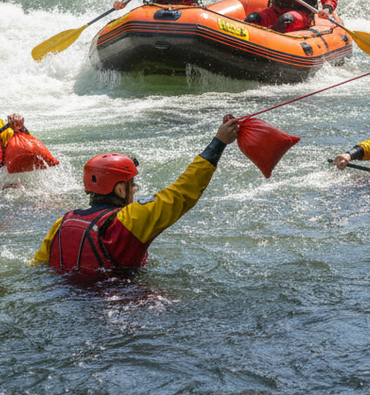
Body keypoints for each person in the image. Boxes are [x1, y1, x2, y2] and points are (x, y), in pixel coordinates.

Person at [32, 115, 240, 275]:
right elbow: (183, 192)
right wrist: (218, 143)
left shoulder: (62, 223)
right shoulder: (130, 220)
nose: (134, 190)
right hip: (120, 304)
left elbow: (37, 265)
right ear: (120, 189)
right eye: (132, 186)